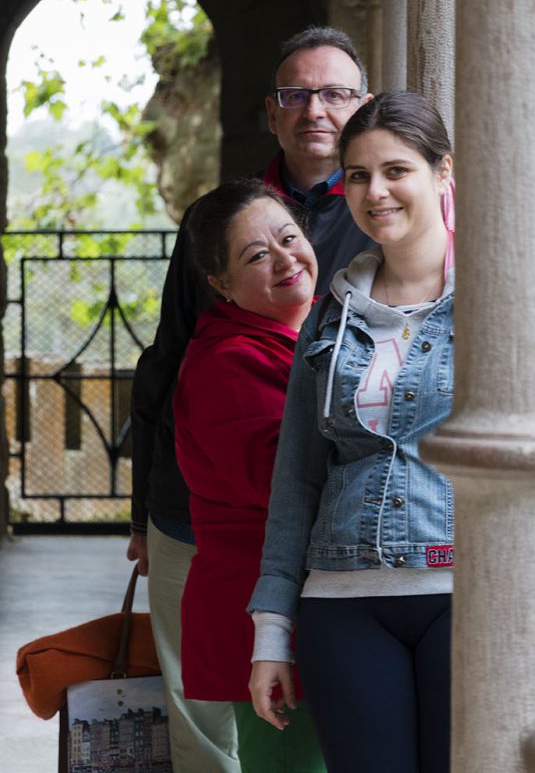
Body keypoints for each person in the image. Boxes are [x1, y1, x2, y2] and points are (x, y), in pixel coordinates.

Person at [126, 26, 372, 773]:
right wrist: (142, 509)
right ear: (271, 112)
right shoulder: (222, 219)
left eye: (334, 93)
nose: (314, 110)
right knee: (212, 720)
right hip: (207, 501)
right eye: (296, 95)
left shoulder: (384, 210)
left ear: (362, 106)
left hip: (321, 544)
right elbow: (167, 360)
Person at [248, 92, 455, 773]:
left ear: (441, 173)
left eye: (396, 170)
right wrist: (271, 635)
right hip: (341, 604)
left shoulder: (496, 303)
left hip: (466, 593)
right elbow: (298, 474)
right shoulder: (332, 312)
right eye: (358, 175)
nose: (376, 191)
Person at [173, 179, 326, 773]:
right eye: (257, 255)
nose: (286, 259)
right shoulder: (228, 363)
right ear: (221, 285)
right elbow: (290, 488)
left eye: (289, 238)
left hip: (304, 608)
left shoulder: (307, 333)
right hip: (267, 619)